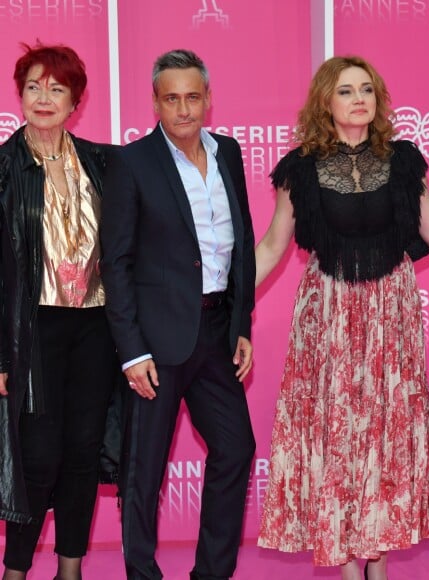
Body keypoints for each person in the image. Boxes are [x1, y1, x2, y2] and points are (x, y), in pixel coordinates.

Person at [255, 55, 429, 580]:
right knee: (339, 434)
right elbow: (274, 246)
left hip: (391, 313)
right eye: (345, 91)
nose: (358, 99)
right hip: (330, 315)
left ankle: (379, 562)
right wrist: (218, 299)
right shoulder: (300, 167)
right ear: (326, 101)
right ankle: (346, 566)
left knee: (385, 433)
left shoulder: (405, 160)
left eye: (366, 89)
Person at [99, 49, 256, 580]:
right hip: (156, 342)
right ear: (156, 102)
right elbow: (114, 262)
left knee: (237, 448)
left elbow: (242, 246)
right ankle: (141, 573)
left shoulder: (229, 153)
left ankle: (211, 573)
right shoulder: (132, 162)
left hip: (216, 333)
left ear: (208, 98)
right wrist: (132, 349)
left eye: (193, 96)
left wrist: (242, 325)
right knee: (143, 473)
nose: (183, 108)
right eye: (172, 98)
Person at [0, 43, 118, 580]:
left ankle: (70, 568)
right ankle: (17, 569)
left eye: (57, 88)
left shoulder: (103, 163)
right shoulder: (3, 169)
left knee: (82, 452)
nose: (44, 98)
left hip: (95, 329)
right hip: (31, 332)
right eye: (33, 87)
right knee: (38, 459)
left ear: (76, 100)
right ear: (19, 95)